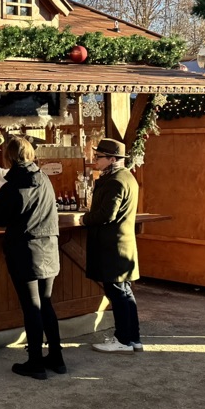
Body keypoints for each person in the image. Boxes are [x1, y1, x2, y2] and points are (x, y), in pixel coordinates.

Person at [0, 135, 63, 379]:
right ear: (30, 154)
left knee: (32, 307)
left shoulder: (11, 187)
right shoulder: (44, 179)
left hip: (24, 251)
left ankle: (35, 362)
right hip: (49, 248)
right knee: (46, 305)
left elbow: (0, 219)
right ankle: (57, 358)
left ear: (8, 157)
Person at [83, 138, 142, 353]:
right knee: (125, 293)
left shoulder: (115, 180)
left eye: (99, 157)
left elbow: (107, 215)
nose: (95, 160)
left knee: (117, 293)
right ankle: (133, 338)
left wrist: (85, 219)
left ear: (112, 159)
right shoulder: (127, 177)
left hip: (112, 247)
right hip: (122, 246)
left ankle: (123, 340)